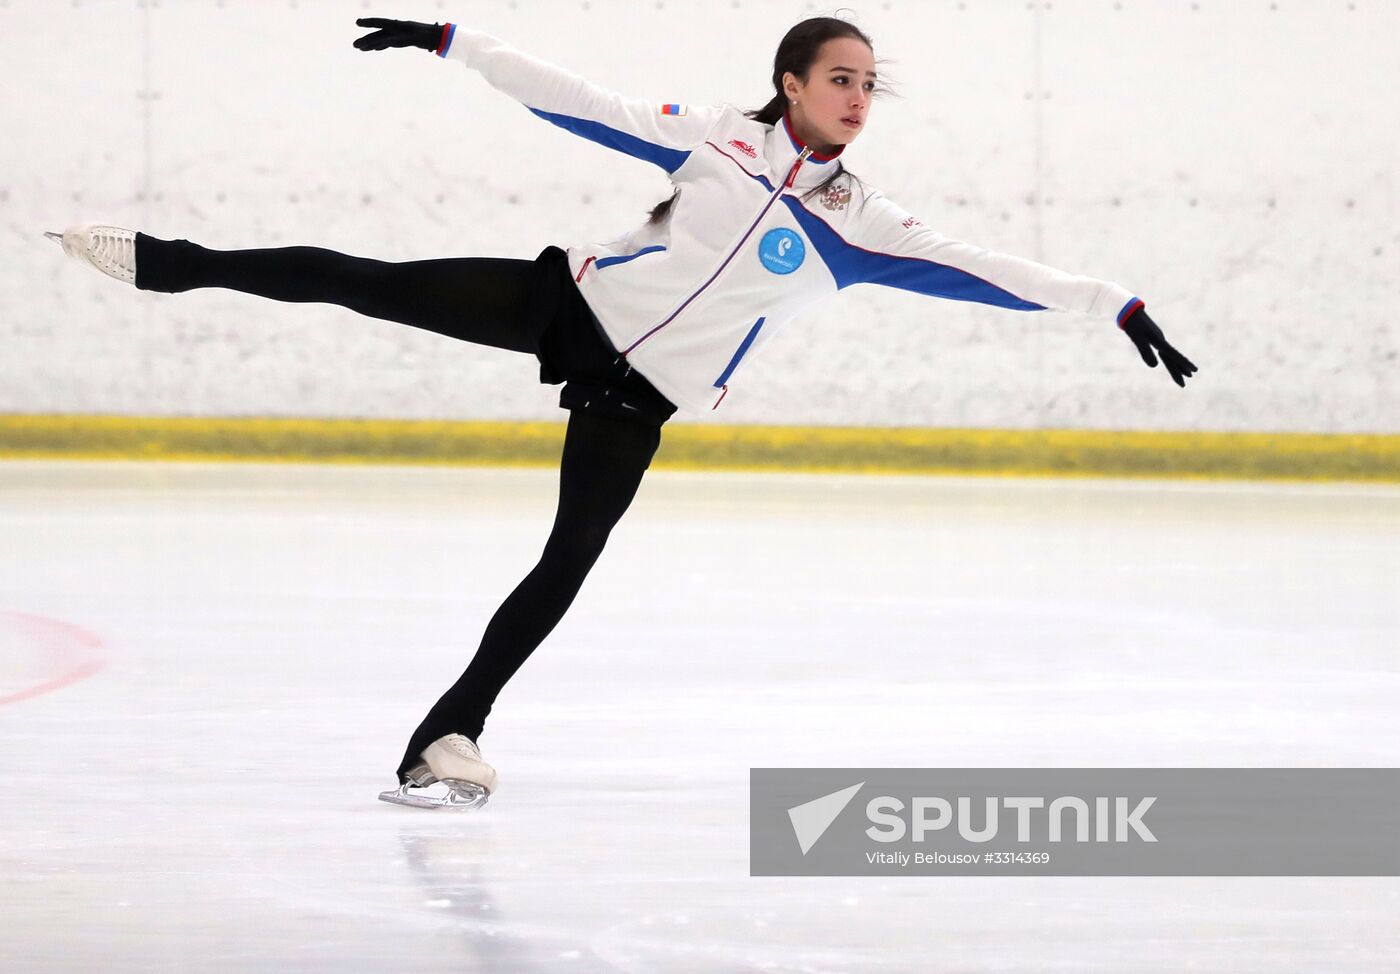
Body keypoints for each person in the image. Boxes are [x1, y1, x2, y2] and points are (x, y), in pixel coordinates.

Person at [48, 15, 1197, 810]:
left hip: (638, 393)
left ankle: (447, 734)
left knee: (566, 560)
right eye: (839, 78)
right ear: (791, 83)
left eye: (867, 85)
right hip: (569, 305)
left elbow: (984, 267)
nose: (856, 98)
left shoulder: (860, 222)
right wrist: (454, 42)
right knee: (367, 279)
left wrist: (1111, 302)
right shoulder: (715, 138)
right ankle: (166, 262)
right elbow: (578, 103)